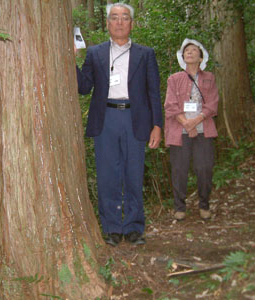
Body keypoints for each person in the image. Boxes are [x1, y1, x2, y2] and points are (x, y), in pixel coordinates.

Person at [75, 3, 162, 246]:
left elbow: (153, 92)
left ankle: (134, 227)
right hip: (106, 119)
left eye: (125, 18)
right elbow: (83, 87)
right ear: (107, 24)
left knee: (133, 174)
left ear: (132, 24)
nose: (120, 22)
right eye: (115, 18)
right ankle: (112, 228)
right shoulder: (95, 53)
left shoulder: (146, 54)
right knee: (107, 176)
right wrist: (69, 58)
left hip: (136, 119)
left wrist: (157, 125)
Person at [164, 38, 219, 221]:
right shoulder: (174, 79)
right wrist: (186, 123)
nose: (189, 52)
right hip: (180, 132)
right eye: (186, 50)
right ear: (182, 56)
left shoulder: (209, 78)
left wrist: (195, 121)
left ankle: (204, 204)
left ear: (201, 56)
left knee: (204, 168)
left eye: (194, 50)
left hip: (204, 130)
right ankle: (180, 207)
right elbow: (170, 105)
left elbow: (212, 105)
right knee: (179, 169)